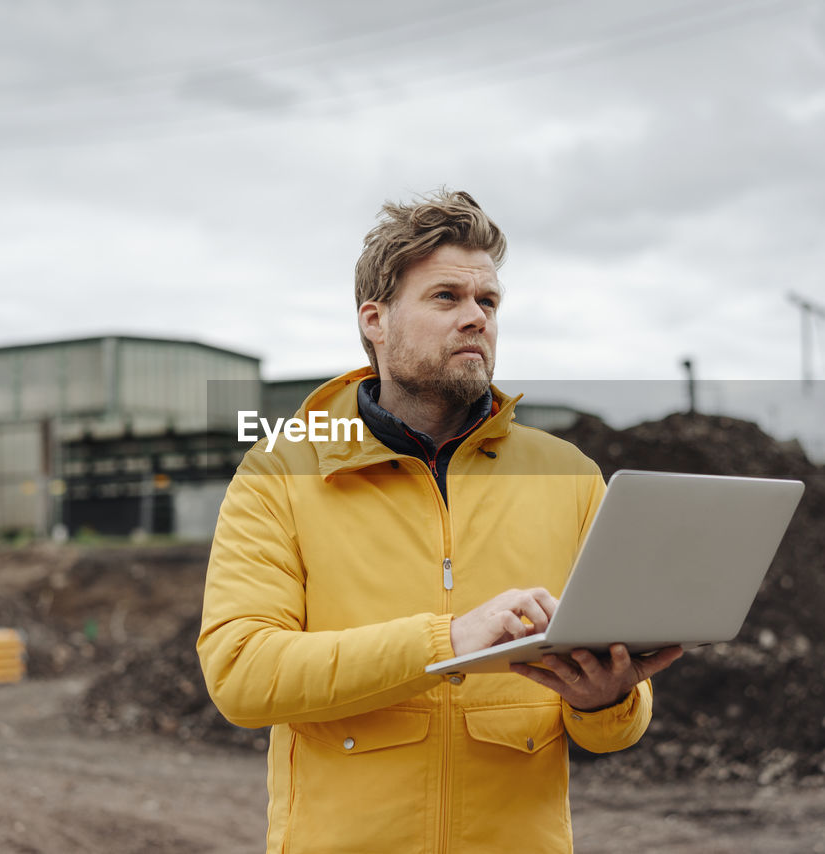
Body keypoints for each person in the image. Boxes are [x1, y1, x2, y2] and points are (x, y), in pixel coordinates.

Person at [197, 189, 681, 853]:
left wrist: (607, 698)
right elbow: (241, 675)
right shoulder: (280, 471)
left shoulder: (568, 475)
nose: (475, 318)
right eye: (446, 298)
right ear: (376, 320)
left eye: (488, 302)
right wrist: (445, 642)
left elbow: (613, 731)